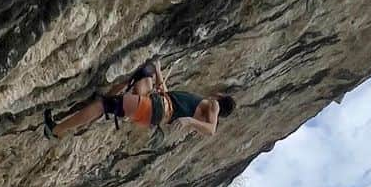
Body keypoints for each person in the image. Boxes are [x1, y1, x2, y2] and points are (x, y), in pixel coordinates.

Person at [43, 59, 234, 141]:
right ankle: (111, 98)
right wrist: (159, 72)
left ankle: (57, 130)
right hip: (155, 110)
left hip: (155, 108)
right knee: (145, 73)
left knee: (104, 106)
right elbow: (166, 95)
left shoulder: (213, 105)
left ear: (221, 97)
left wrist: (188, 121)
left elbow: (211, 131)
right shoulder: (197, 106)